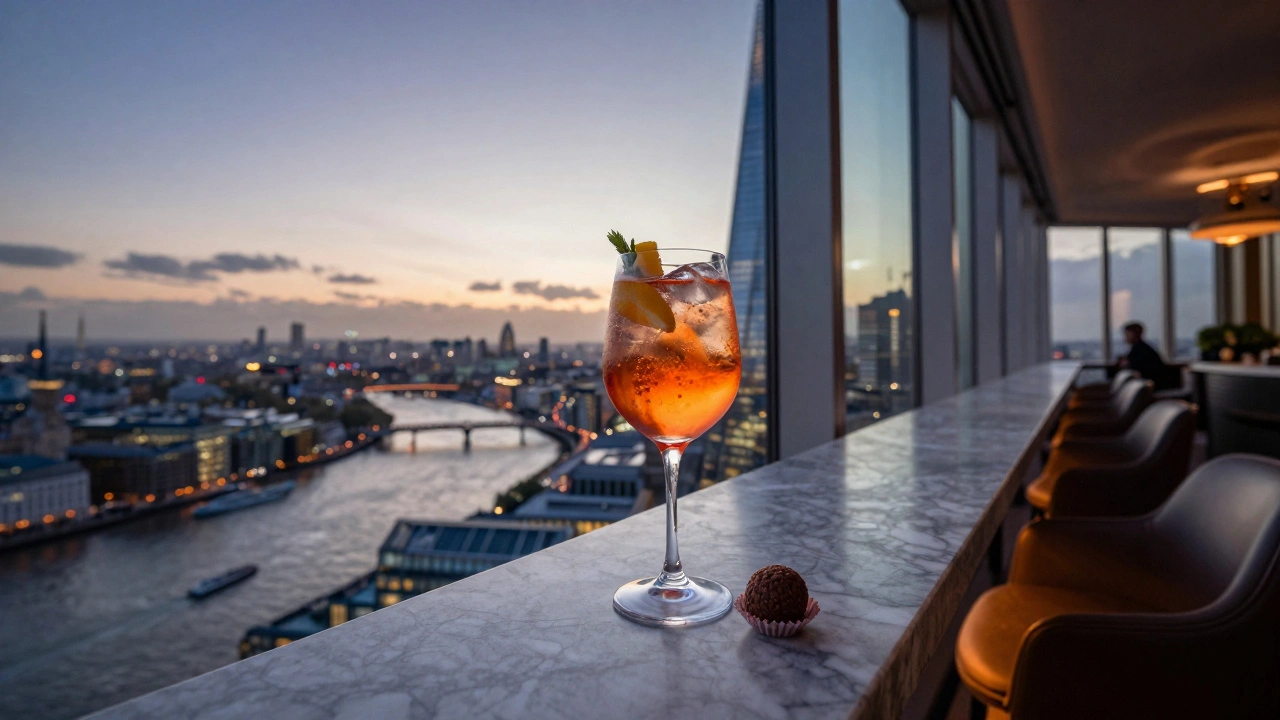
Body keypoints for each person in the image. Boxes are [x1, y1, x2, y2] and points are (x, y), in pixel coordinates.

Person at [1119, 322, 1175, 390]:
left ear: (1136, 334)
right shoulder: (1142, 348)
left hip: (1152, 386)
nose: (1126, 336)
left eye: (1128, 334)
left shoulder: (1141, 350)